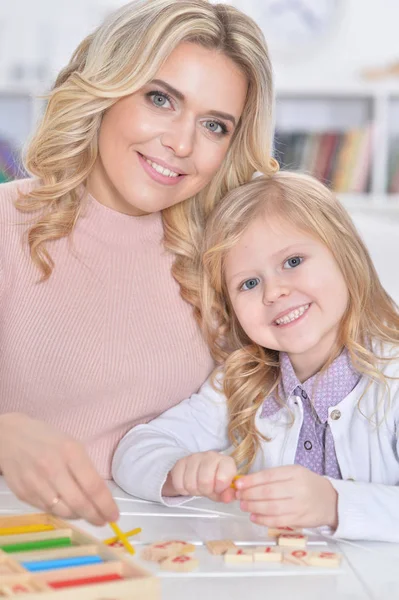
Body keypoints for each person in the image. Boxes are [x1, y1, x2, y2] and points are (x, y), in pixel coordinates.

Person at [0, 0, 277, 525]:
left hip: (179, 550)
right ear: (104, 88)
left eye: (215, 126)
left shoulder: (230, 258)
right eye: (160, 98)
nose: (180, 143)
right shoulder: (6, 225)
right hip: (24, 541)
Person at [113, 171, 399, 542]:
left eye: (293, 261)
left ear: (346, 256)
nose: (274, 292)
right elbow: (135, 450)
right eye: (249, 283)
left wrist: (333, 503)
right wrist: (178, 470)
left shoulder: (390, 381)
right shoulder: (242, 383)